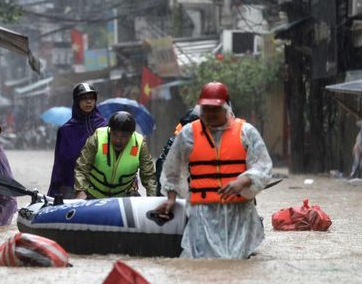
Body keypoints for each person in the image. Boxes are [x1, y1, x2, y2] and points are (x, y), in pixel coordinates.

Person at [156, 82, 272, 258]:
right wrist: (171, 198)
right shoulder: (188, 134)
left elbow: (263, 165)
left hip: (239, 215)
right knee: (203, 266)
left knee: (235, 267)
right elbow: (172, 169)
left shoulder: (246, 132)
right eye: (206, 109)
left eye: (215, 109)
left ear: (226, 107)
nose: (210, 114)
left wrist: (244, 180)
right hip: (202, 214)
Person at [74, 111, 156, 199]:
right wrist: (80, 191)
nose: (118, 140)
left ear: (131, 134)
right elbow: (82, 168)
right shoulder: (96, 138)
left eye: (124, 136)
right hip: (93, 195)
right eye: (115, 135)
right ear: (110, 131)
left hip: (124, 197)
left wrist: (153, 198)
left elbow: (149, 176)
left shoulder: (140, 144)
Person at [47, 83, 107, 199]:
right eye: (84, 99)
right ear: (77, 101)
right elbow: (60, 163)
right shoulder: (66, 130)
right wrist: (57, 187)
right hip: (71, 184)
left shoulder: (105, 126)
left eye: (91, 98)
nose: (88, 102)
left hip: (101, 183)